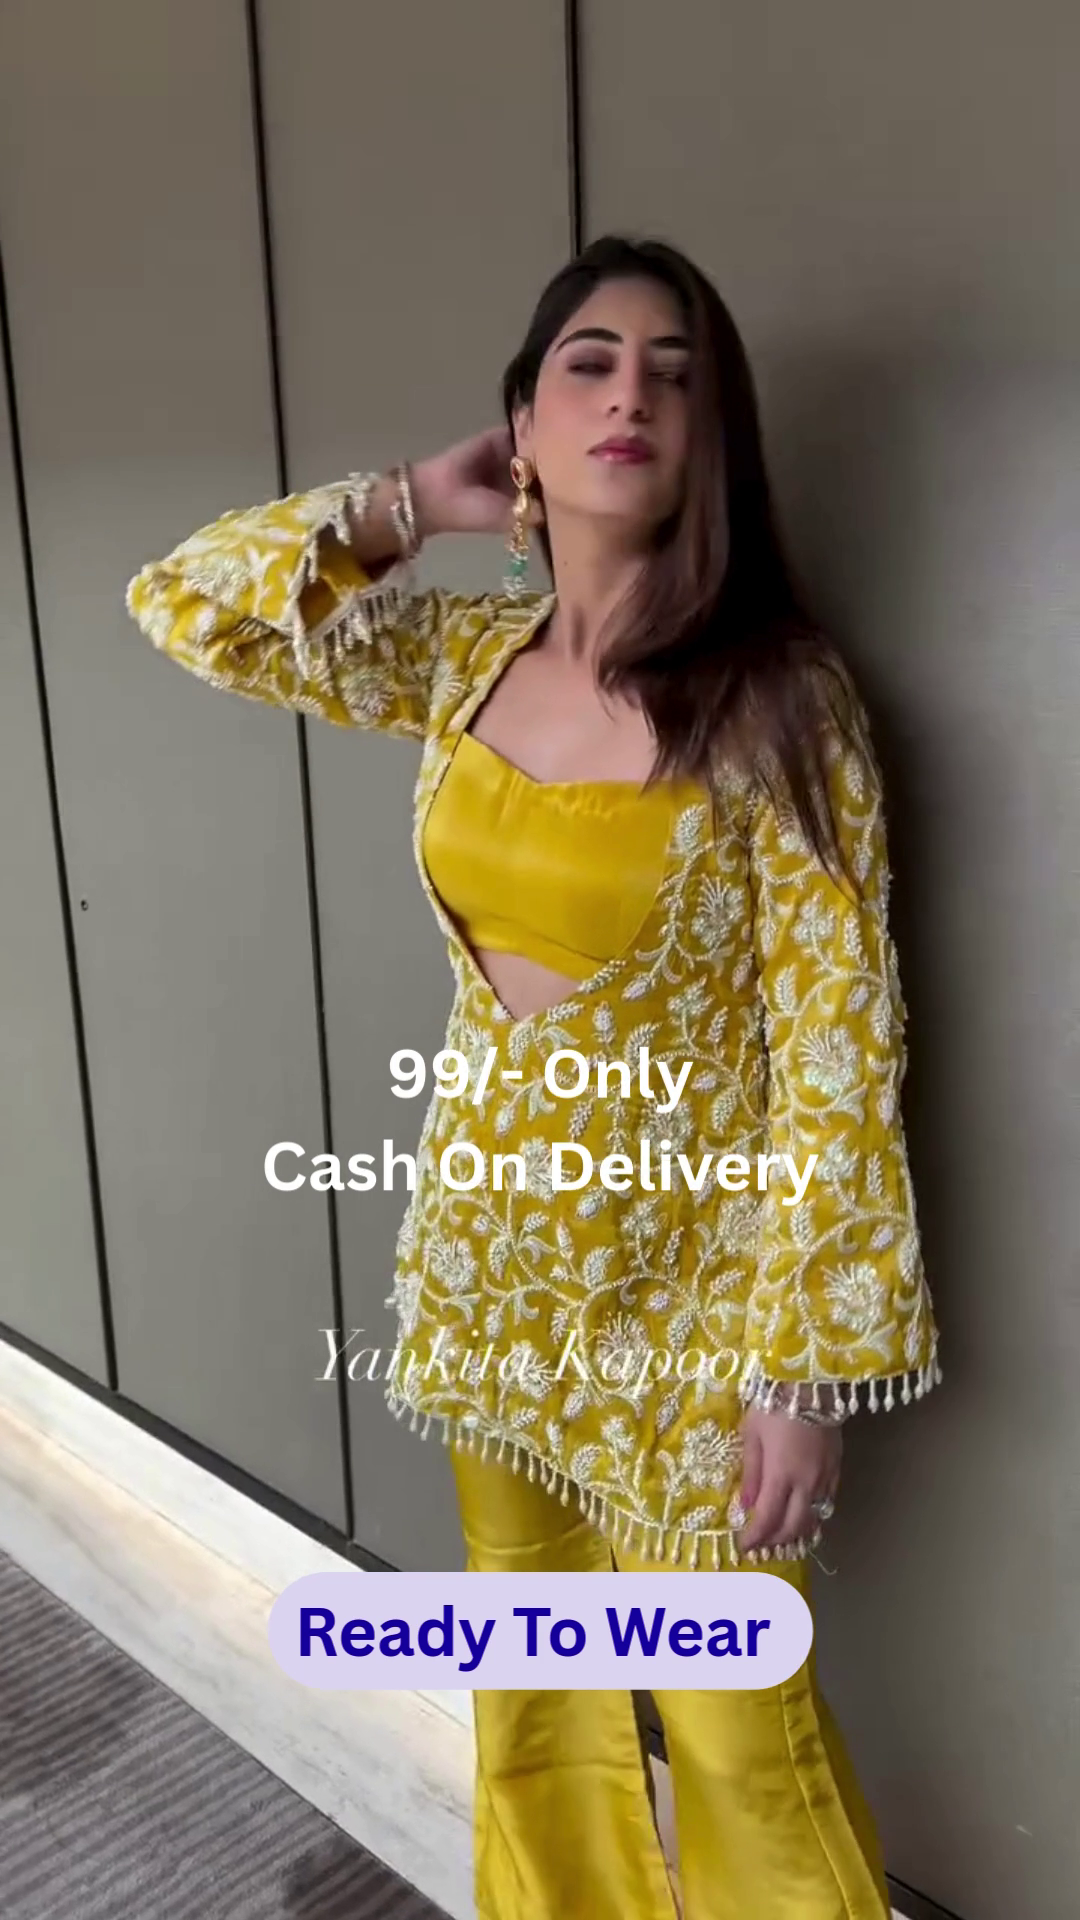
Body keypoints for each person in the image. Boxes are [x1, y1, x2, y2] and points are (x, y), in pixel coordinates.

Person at [127, 234, 940, 1920]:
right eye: (590, 361)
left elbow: (839, 1056)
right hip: (488, 1281)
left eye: (676, 374)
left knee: (738, 1737)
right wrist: (405, 507)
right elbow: (186, 608)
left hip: (692, 1321)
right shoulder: (463, 658)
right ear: (524, 419)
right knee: (539, 1694)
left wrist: (802, 1368)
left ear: (713, 442)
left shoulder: (783, 707)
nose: (632, 394)